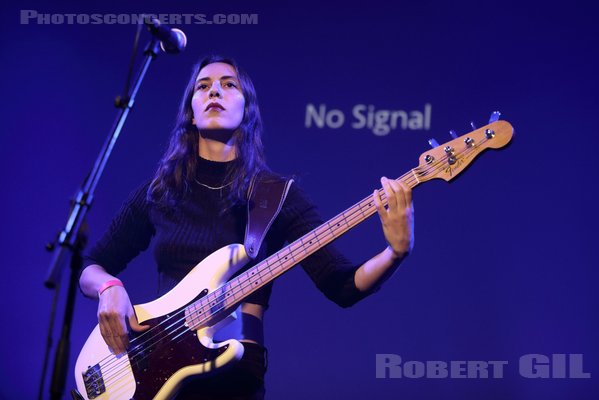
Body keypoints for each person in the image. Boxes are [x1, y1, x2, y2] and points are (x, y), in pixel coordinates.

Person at [79, 55, 415, 399]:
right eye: (203, 86)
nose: (215, 92)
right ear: (191, 112)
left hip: (235, 377)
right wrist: (109, 288)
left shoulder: (276, 195)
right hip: (152, 371)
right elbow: (91, 265)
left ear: (247, 109)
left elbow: (342, 286)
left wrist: (395, 252)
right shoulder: (160, 192)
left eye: (229, 85)